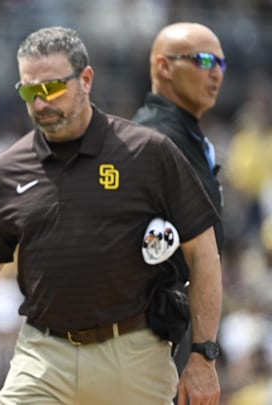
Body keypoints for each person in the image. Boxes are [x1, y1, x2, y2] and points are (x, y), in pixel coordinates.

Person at [0, 26, 222, 405]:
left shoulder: (148, 153)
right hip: (44, 355)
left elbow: (203, 252)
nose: (42, 103)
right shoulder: (9, 169)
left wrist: (203, 354)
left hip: (133, 354)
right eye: (31, 91)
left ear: (87, 80)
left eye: (53, 88)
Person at [131, 22, 226, 378]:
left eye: (221, 63)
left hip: (172, 324)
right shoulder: (152, 138)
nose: (215, 72)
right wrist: (202, 352)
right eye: (203, 60)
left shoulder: (185, 136)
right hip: (149, 334)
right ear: (163, 66)